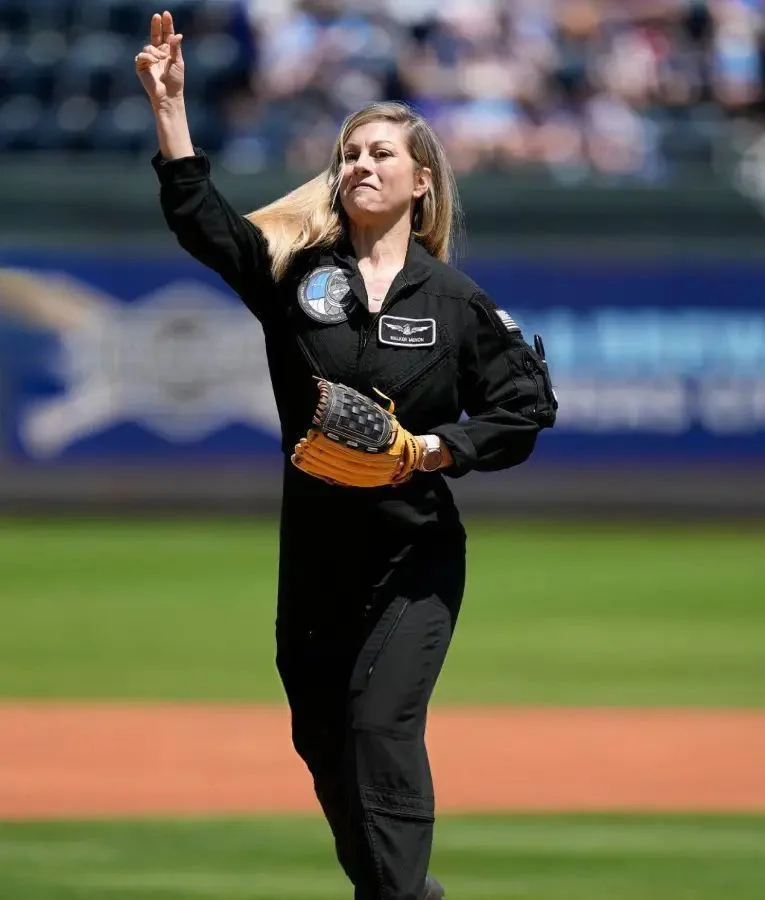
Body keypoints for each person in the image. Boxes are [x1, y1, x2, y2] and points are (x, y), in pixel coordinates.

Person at [136, 11, 558, 900]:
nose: (361, 164)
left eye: (381, 154)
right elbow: (204, 224)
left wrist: (432, 449)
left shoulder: (452, 300)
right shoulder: (299, 277)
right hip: (317, 562)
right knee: (324, 743)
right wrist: (171, 112)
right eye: (351, 152)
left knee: (379, 730)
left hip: (413, 558)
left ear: (422, 183)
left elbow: (525, 407)